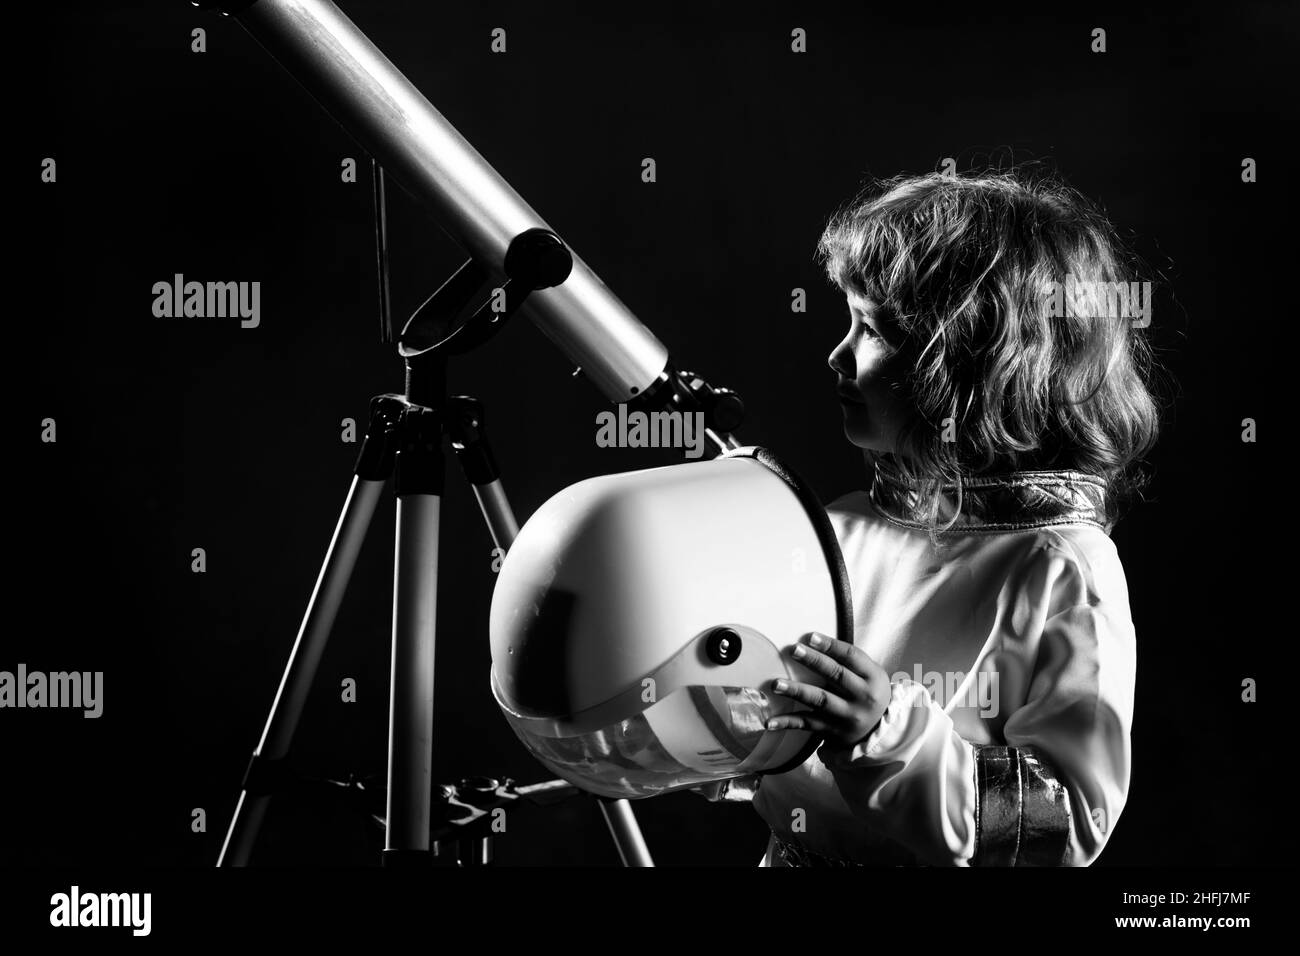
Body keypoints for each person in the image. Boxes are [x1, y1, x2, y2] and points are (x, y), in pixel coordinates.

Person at [733, 169, 1161, 866]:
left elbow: (1066, 825)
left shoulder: (1062, 568)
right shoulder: (835, 530)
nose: (836, 355)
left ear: (972, 362)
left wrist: (886, 735)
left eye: (871, 329)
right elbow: (774, 753)